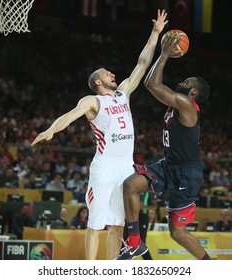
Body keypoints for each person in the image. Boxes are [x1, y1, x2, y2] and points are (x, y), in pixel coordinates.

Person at [31, 9, 168, 260]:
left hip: (125, 166)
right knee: (95, 224)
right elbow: (70, 115)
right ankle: (91, 271)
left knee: (118, 224)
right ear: (98, 82)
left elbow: (142, 63)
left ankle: (112, 271)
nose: (113, 75)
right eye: (107, 73)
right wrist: (51, 130)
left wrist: (155, 33)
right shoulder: (93, 101)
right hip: (105, 166)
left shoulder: (123, 93)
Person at [116, 33, 212, 260]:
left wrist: (166, 53)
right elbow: (151, 83)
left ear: (194, 92)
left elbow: (152, 84)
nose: (183, 82)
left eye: (187, 82)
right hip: (168, 164)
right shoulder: (177, 103)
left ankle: (210, 265)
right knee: (130, 185)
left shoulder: (187, 105)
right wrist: (164, 54)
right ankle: (135, 243)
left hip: (187, 173)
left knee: (176, 232)